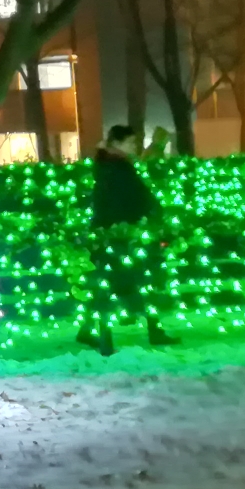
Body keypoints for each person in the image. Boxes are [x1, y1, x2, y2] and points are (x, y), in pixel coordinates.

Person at [79, 126, 177, 354]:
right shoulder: (114, 167)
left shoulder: (111, 165)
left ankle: (96, 333)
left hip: (119, 233)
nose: (135, 147)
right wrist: (147, 215)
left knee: (115, 284)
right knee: (129, 282)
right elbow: (126, 198)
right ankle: (109, 338)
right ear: (117, 143)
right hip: (121, 234)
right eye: (131, 142)